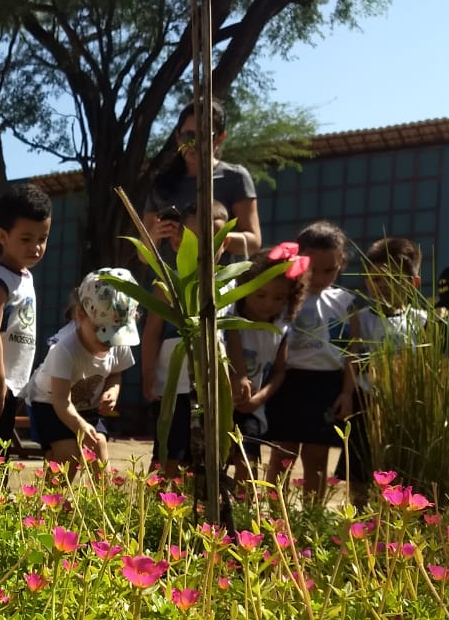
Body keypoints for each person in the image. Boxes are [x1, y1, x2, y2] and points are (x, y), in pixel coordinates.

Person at [266, 221, 357, 501]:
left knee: (317, 458)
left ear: (341, 262)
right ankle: (271, 516)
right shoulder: (282, 297)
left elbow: (353, 351)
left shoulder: (345, 301)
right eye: (312, 269)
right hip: (288, 381)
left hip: (326, 385)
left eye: (328, 270)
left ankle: (311, 519)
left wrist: (346, 392)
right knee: (282, 454)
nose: (318, 278)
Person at [138, 201, 228, 476]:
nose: (208, 247)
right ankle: (162, 507)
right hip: (174, 387)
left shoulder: (230, 282)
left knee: (208, 457)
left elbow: (233, 335)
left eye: (217, 239)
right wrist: (148, 374)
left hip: (213, 389)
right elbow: (152, 332)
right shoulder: (168, 285)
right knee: (169, 454)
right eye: (198, 239)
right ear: (178, 243)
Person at [340, 236, 430, 504]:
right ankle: (359, 514)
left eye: (392, 280)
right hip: (366, 401)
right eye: (376, 280)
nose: (383, 287)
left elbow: (426, 363)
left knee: (398, 467)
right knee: (360, 467)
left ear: (412, 283)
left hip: (403, 406)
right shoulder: (362, 318)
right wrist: (346, 394)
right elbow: (352, 356)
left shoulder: (421, 321)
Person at [22, 269, 138, 474]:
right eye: (103, 333)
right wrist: (80, 427)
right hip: (49, 402)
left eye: (115, 334)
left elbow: (115, 373)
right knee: (68, 455)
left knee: (98, 444)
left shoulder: (118, 343)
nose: (109, 342)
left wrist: (113, 391)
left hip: (85, 406)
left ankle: (104, 502)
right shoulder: (64, 349)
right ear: (80, 314)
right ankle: (51, 504)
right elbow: (60, 401)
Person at [0, 182, 52, 471]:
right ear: (3, 236)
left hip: (10, 386)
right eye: (26, 238)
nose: (36, 247)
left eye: (43, 238)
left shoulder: (25, 277)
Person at [225, 247, 307, 482]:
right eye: (260, 295)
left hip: (252, 408)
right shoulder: (233, 319)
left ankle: (245, 511)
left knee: (248, 464)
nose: (268, 303)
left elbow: (280, 371)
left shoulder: (281, 328)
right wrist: (239, 378)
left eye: (278, 297)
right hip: (222, 405)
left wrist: (259, 399)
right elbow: (232, 347)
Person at [144, 99, 260, 262]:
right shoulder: (161, 182)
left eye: (204, 136)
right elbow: (143, 255)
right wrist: (155, 234)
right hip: (171, 284)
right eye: (188, 136)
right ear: (178, 137)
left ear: (220, 138)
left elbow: (253, 242)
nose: (194, 144)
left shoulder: (235, 178)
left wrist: (210, 235)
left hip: (219, 283)